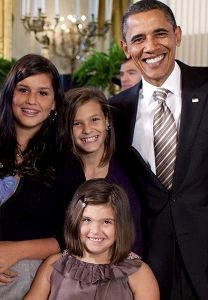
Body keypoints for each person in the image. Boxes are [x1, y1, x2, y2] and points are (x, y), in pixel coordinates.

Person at [109, 1, 208, 299]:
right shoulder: (115, 111)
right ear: (125, 47)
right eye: (138, 39)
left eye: (160, 33)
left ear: (177, 35)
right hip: (147, 262)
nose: (150, 46)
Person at [24, 178, 159, 300]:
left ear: (121, 225)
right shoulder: (54, 266)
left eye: (106, 222)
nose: (95, 230)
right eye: (87, 220)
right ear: (75, 221)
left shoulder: (139, 273)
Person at [0, 54, 66, 299]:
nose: (31, 100)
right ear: (10, 94)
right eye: (23, 89)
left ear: (55, 103)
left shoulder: (65, 161)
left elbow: (74, 237)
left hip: (29, 284)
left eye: (43, 93)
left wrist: (16, 251)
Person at [61, 86, 143, 255]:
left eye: (94, 120)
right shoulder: (59, 174)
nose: (87, 129)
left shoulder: (129, 170)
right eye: (77, 123)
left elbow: (135, 237)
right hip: (68, 270)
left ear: (107, 121)